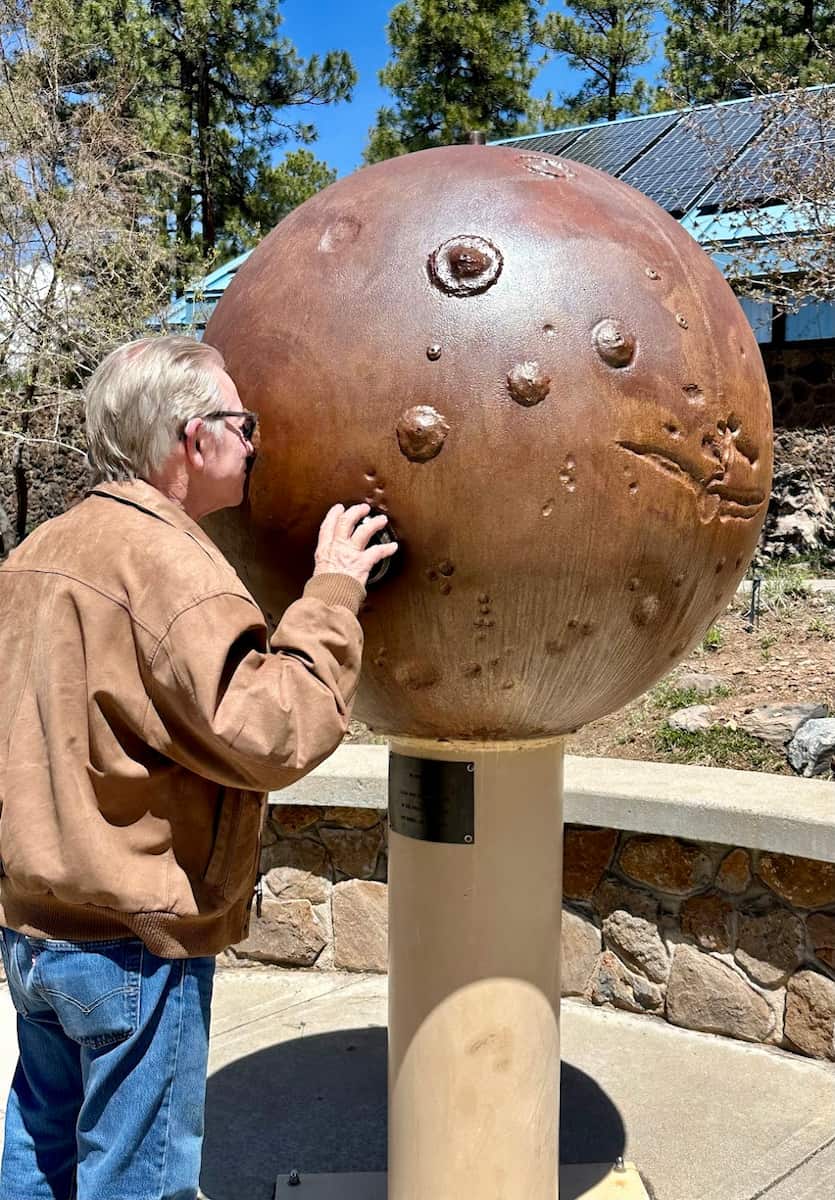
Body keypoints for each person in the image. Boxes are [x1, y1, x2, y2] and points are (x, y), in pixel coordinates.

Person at [0, 335, 397, 1200]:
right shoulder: (170, 567)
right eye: (241, 423)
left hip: (32, 934)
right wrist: (331, 592)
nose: (255, 443)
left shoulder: (35, 554)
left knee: (40, 1155)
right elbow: (270, 732)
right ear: (192, 437)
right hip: (131, 942)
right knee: (135, 1180)